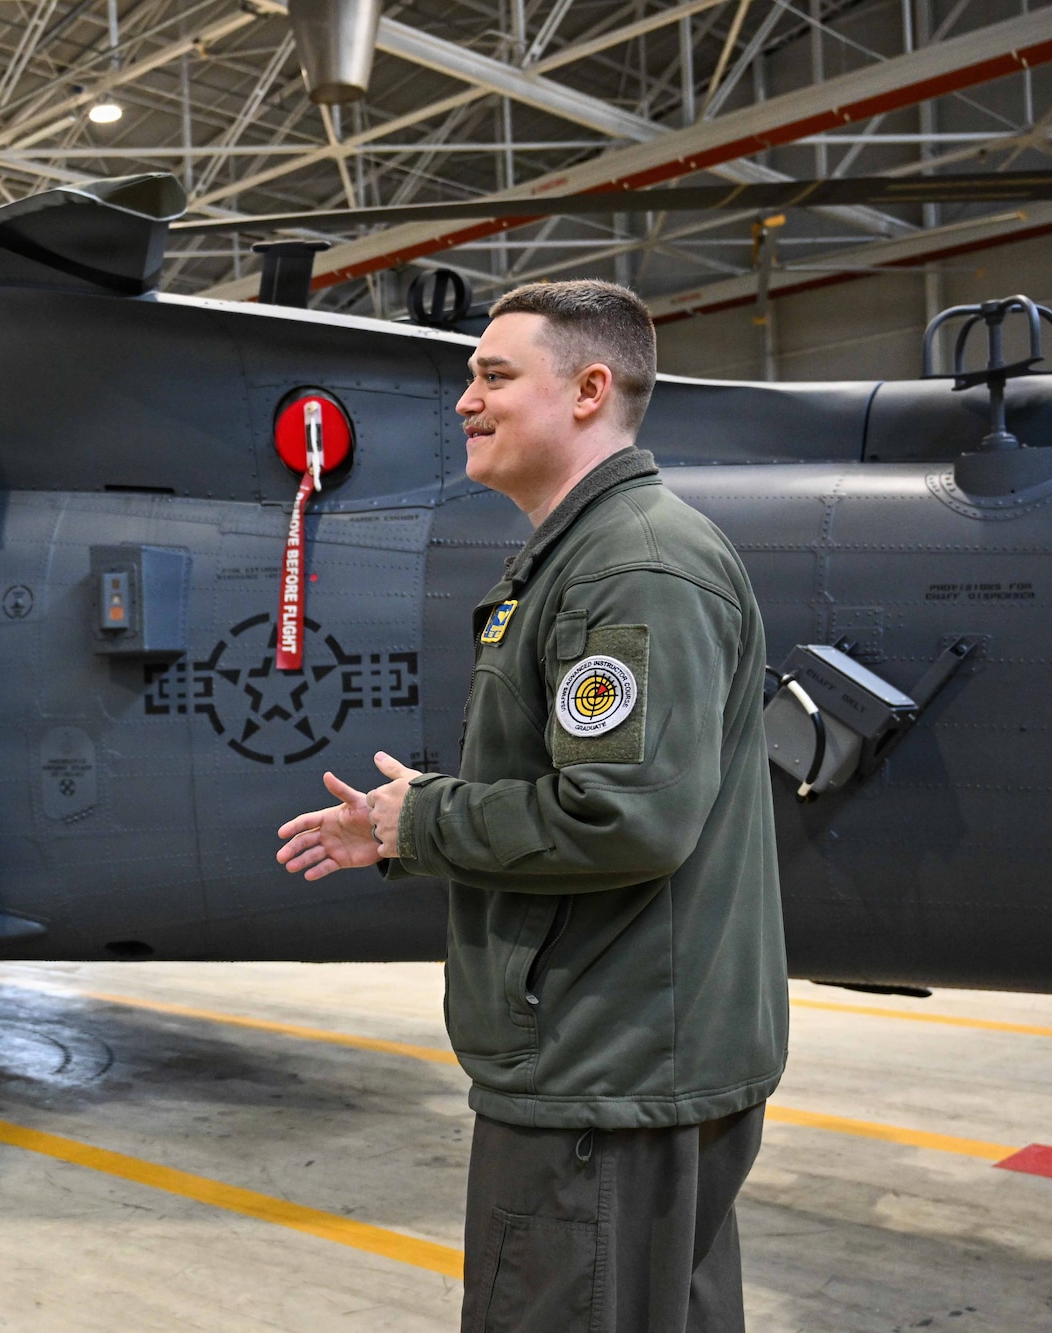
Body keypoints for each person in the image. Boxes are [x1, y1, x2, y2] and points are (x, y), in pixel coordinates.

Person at [276, 280, 786, 1331]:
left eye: (494, 375)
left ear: (589, 389)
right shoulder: (588, 556)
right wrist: (406, 824)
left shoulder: (632, 565)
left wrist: (415, 822)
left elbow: (621, 815)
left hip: (605, 1060)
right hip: (623, 1052)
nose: (465, 400)